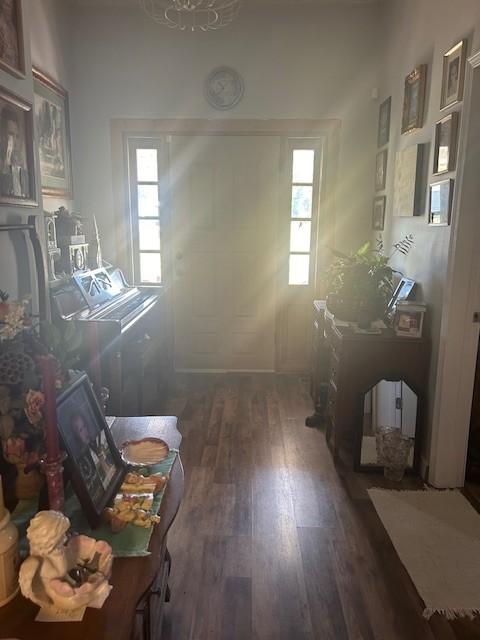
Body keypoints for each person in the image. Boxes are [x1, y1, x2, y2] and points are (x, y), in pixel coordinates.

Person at [0, 104, 29, 198]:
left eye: (17, 136)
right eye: (10, 134)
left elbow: (25, 194)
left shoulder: (21, 166)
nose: (15, 142)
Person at [0, 0, 19, 70]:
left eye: (10, 5)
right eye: (6, 5)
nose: (9, 8)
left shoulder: (13, 28)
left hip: (13, 69)